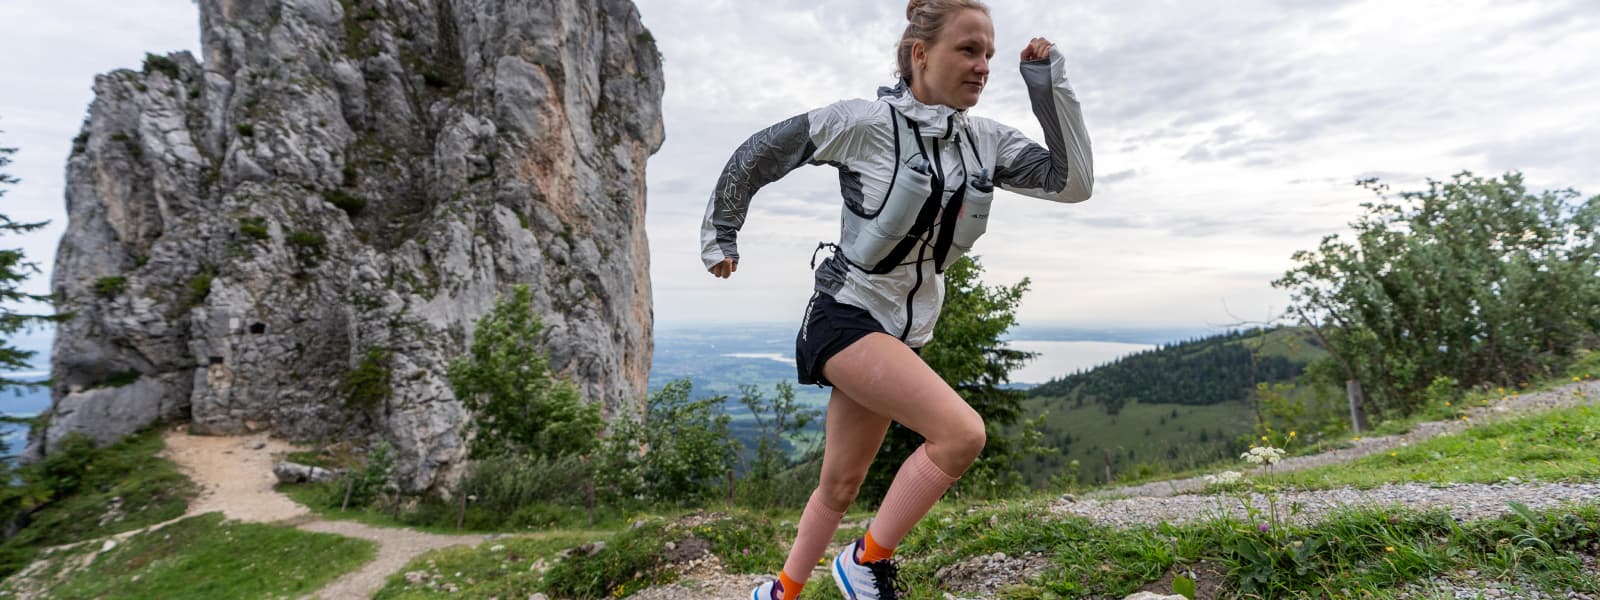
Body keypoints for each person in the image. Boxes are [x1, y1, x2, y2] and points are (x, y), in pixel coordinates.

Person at [699, 1, 1093, 598]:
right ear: (919, 54)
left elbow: (1072, 183)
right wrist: (721, 233)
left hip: (903, 330)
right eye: (968, 50)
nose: (983, 65)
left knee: (840, 483)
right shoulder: (864, 124)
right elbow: (762, 151)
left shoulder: (987, 141)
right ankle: (866, 561)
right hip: (845, 315)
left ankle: (781, 592)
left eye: (988, 53)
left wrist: (1047, 86)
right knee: (961, 434)